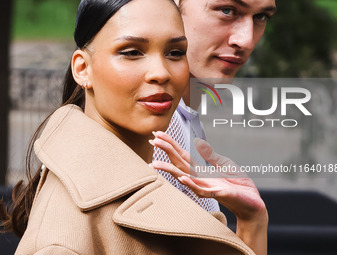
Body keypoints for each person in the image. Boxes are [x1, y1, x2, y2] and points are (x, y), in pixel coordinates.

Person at [0, 0, 259, 254]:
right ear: (82, 69)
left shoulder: (163, 158)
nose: (161, 72)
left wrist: (252, 220)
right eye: (132, 52)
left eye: (175, 53)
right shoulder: (63, 242)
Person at [151, 0, 277, 254]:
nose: (247, 40)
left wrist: (252, 219)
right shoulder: (157, 131)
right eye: (227, 10)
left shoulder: (183, 118)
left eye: (261, 16)